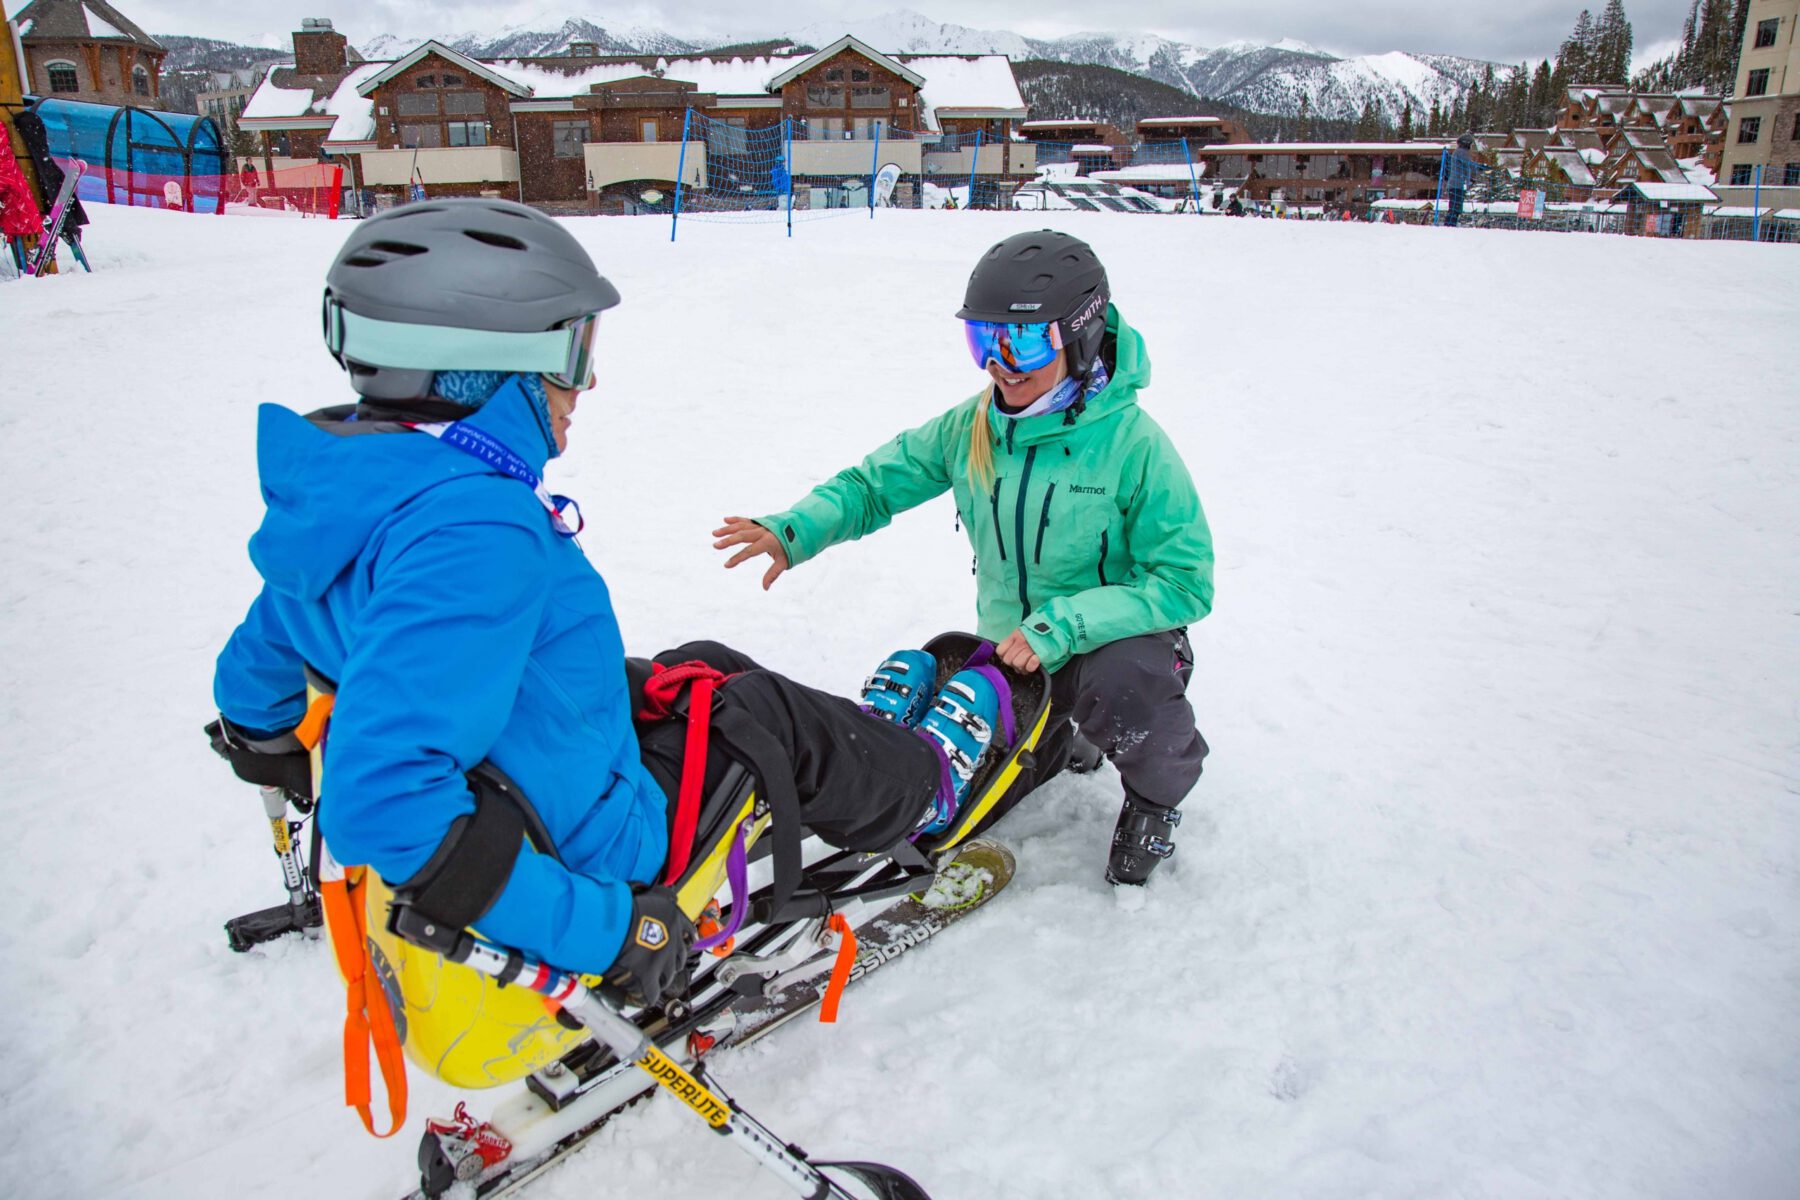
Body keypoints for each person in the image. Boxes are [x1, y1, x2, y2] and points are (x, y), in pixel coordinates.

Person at [207, 199, 1011, 1009]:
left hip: (539, 765)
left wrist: (269, 740)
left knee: (702, 669)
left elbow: (256, 679)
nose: (584, 384)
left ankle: (873, 745)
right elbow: (384, 798)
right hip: (592, 850)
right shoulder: (475, 531)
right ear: (481, 366)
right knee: (763, 714)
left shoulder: (362, 492)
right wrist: (613, 932)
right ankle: (926, 784)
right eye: (569, 353)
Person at [714, 230, 1213, 885]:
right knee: (956, 788)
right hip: (1015, 656)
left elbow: (1184, 581)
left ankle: (1153, 802)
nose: (1000, 364)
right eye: (984, 339)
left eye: (1025, 342)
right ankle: (1040, 744)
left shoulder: (1135, 447)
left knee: (1127, 688)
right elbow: (875, 483)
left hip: (1113, 645)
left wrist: (1064, 626)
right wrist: (794, 530)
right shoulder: (974, 425)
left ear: (1082, 334)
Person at [1444, 133, 1478, 228]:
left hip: (1456, 184)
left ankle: (1450, 224)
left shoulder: (1459, 152)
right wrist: (1479, 168)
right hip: (1457, 184)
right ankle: (1449, 225)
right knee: (1455, 208)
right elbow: (1469, 164)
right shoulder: (1461, 152)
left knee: (1455, 208)